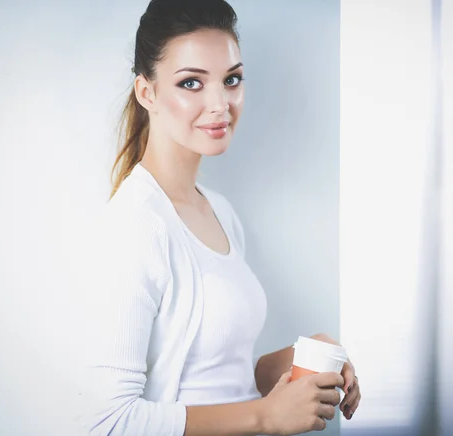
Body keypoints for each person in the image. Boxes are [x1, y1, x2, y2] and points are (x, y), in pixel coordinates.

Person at [81, 0, 361, 435]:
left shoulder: (219, 212)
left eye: (231, 80)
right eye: (191, 82)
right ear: (146, 92)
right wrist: (266, 416)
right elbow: (107, 422)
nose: (220, 104)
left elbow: (218, 378)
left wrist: (303, 358)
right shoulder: (137, 224)